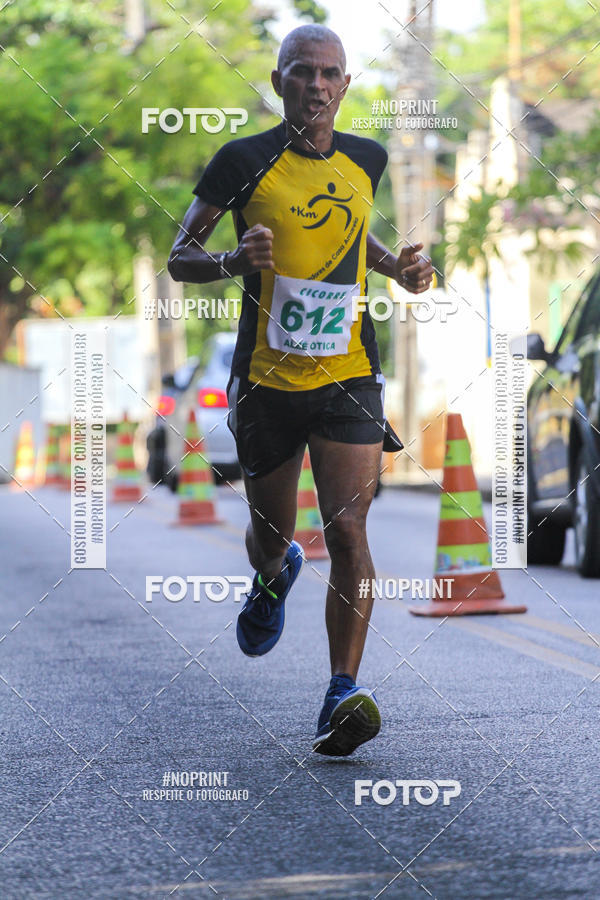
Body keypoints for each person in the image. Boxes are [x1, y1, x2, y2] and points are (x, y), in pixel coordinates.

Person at [168, 24, 434, 756]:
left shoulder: (366, 160)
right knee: (273, 537)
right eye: (302, 72)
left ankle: (340, 693)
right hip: (267, 382)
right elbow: (177, 257)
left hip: (347, 373)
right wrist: (230, 257)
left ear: (345, 84)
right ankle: (275, 572)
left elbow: (354, 242)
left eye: (330, 73)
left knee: (348, 530)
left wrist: (399, 270)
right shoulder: (241, 161)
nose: (317, 85)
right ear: (279, 79)